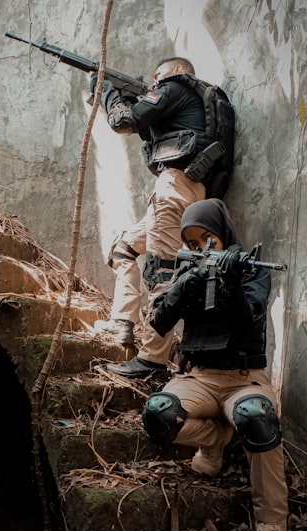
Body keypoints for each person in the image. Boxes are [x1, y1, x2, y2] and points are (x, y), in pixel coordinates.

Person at [142, 198, 288, 531]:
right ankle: (217, 440)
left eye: (208, 239)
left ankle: (272, 522)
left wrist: (231, 282)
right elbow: (158, 322)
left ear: (223, 234)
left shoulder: (250, 268)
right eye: (192, 242)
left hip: (244, 379)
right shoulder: (186, 271)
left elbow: (250, 318)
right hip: (198, 377)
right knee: (159, 414)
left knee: (257, 417)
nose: (201, 248)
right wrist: (184, 285)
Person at [91, 57, 213, 377]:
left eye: (158, 76)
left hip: (173, 189)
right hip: (192, 192)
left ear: (177, 70)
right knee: (123, 248)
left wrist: (108, 92)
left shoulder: (175, 88)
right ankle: (123, 322)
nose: (155, 83)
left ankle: (152, 361)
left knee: (161, 273)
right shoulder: (195, 102)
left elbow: (123, 122)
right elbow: (148, 124)